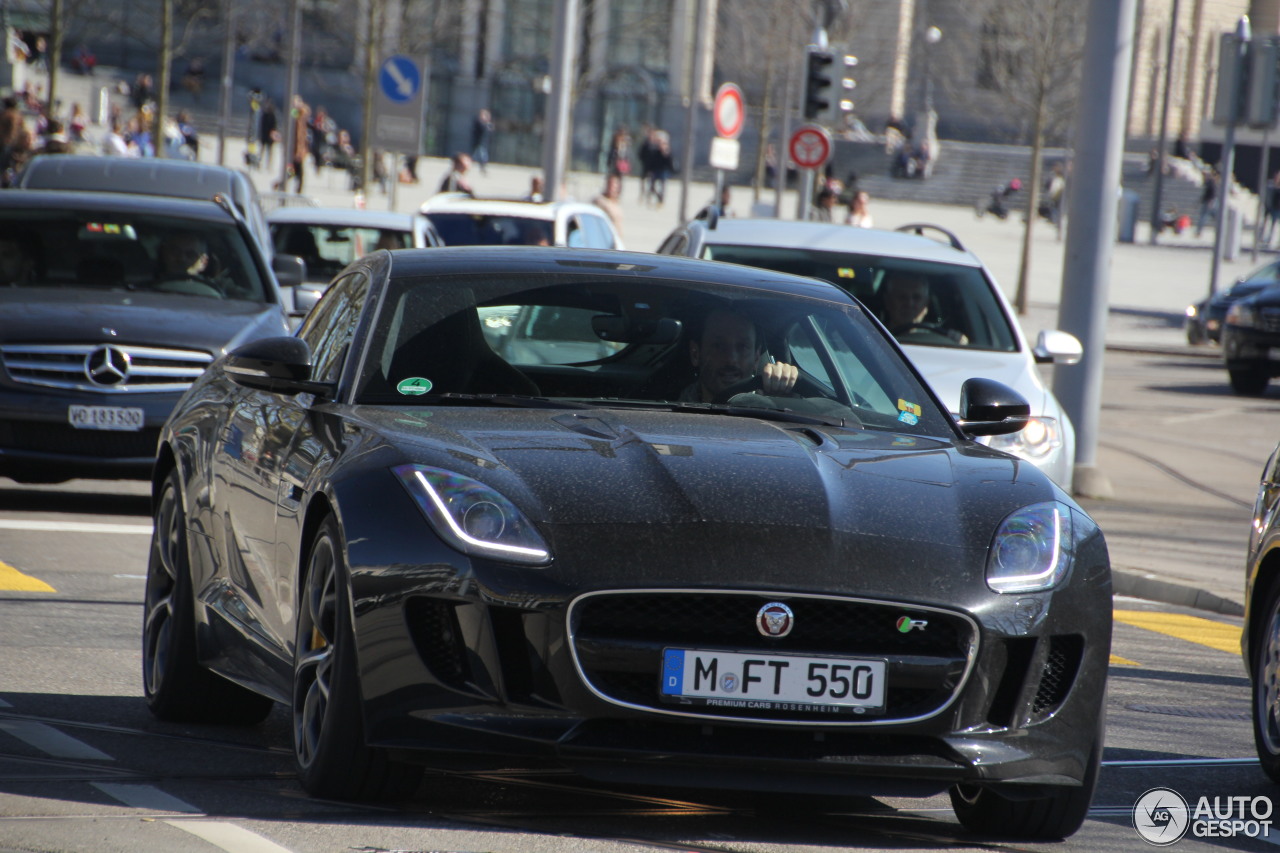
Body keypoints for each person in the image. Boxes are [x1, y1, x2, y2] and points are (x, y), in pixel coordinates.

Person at [678, 307, 798, 403]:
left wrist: (782, 398)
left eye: (742, 347)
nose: (731, 359)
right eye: (718, 346)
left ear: (756, 358)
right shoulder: (670, 415)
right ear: (696, 354)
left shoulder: (773, 406)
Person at [880, 272, 967, 344]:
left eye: (916, 297)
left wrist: (959, 342)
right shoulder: (875, 337)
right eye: (902, 297)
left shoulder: (943, 341)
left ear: (926, 304)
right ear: (888, 302)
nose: (910, 303)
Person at [1196, 167, 1218, 237]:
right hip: (1210, 201)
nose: (1203, 176)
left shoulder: (1210, 182)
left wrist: (1211, 202)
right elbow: (1206, 194)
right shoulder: (1208, 182)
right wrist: (1199, 201)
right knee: (1214, 216)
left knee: (1204, 216)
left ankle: (1199, 231)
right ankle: (1220, 229)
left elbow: (1212, 193)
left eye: (1204, 175)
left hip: (1210, 202)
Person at [470, 108, 494, 174]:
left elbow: (490, 130)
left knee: (479, 156)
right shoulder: (478, 122)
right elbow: (482, 128)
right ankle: (481, 167)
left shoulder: (485, 124)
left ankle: (481, 167)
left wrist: (487, 121)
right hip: (479, 142)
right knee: (482, 156)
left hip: (482, 143)